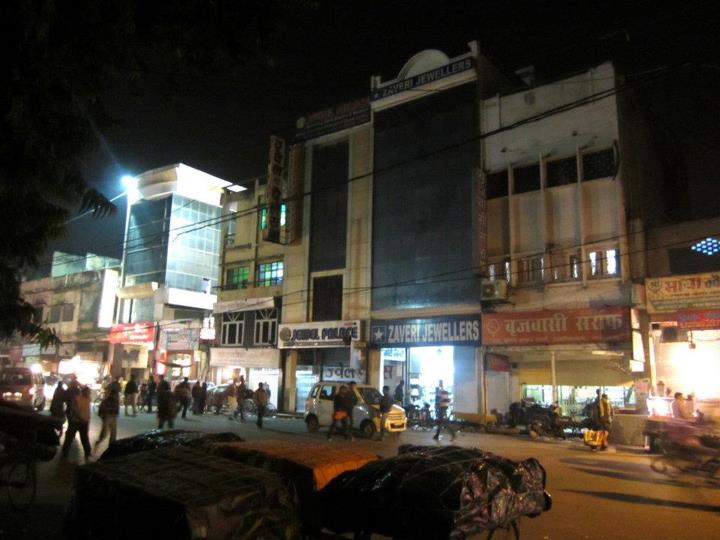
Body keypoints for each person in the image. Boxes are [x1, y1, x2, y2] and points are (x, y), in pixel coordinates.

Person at [61, 379, 92, 462]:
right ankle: (88, 452)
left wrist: (76, 382)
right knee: (84, 437)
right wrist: (79, 383)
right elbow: (85, 388)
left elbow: (73, 409)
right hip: (85, 420)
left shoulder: (77, 398)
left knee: (69, 437)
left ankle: (65, 452)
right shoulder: (88, 399)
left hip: (76, 420)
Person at [95, 384, 120, 451]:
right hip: (108, 415)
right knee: (106, 433)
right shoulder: (110, 396)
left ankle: (111, 447)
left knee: (112, 433)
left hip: (111, 415)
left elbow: (116, 406)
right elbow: (104, 405)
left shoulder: (114, 396)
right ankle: (100, 442)